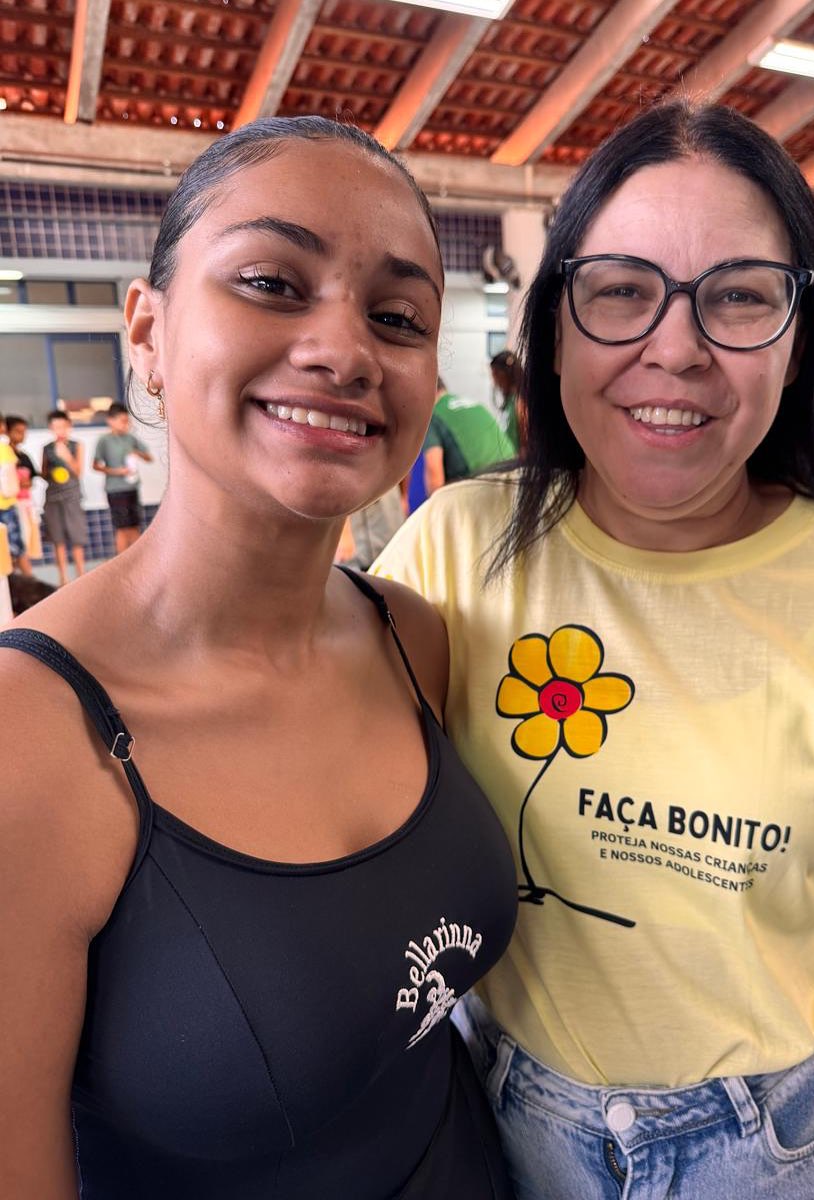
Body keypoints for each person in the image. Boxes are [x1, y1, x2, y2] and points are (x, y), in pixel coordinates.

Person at [375, 100, 814, 1200]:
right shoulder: (451, 554)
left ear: (800, 339)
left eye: (740, 296)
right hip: (503, 1127)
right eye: (620, 291)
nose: (678, 347)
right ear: (556, 327)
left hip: (785, 1149)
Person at [0, 116, 518, 1200]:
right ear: (147, 331)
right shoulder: (30, 736)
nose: (344, 350)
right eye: (272, 284)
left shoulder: (412, 639)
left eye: (397, 316)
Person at [423, 377, 516, 495]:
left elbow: (434, 476)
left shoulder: (433, 416)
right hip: (514, 475)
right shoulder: (474, 404)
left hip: (484, 488)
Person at [93, 402, 154, 553]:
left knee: (134, 526)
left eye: (127, 421)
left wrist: (137, 453)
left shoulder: (130, 439)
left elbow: (149, 458)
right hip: (115, 490)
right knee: (122, 528)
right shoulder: (104, 440)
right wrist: (116, 471)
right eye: (122, 421)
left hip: (132, 487)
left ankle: (138, 559)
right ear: (110, 421)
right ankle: (123, 559)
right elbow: (95, 465)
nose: (126, 424)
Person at [41, 410, 87, 585]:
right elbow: (43, 473)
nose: (59, 430)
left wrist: (66, 456)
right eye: (55, 427)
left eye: (62, 426)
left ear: (69, 426)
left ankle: (81, 575)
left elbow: (78, 472)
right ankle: (63, 578)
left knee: (77, 537)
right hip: (53, 498)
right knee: (57, 539)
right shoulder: (47, 448)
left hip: (72, 497)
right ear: (50, 428)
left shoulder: (77, 445)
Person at [5, 415, 41, 575]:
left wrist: (25, 483)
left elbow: (32, 478)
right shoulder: (5, 454)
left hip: (25, 504)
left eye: (24, 431)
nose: (22, 435)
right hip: (11, 505)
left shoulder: (23, 456)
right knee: (13, 546)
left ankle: (27, 579)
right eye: (18, 431)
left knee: (23, 542)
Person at [0, 414, 25, 578]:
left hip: (6, 505)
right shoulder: (4, 448)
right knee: (13, 549)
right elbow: (10, 480)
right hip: (6, 506)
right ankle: (15, 585)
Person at [489, 349, 524, 451]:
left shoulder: (520, 403)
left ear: (505, 374)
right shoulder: (509, 401)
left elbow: (526, 445)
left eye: (495, 374)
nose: (494, 380)